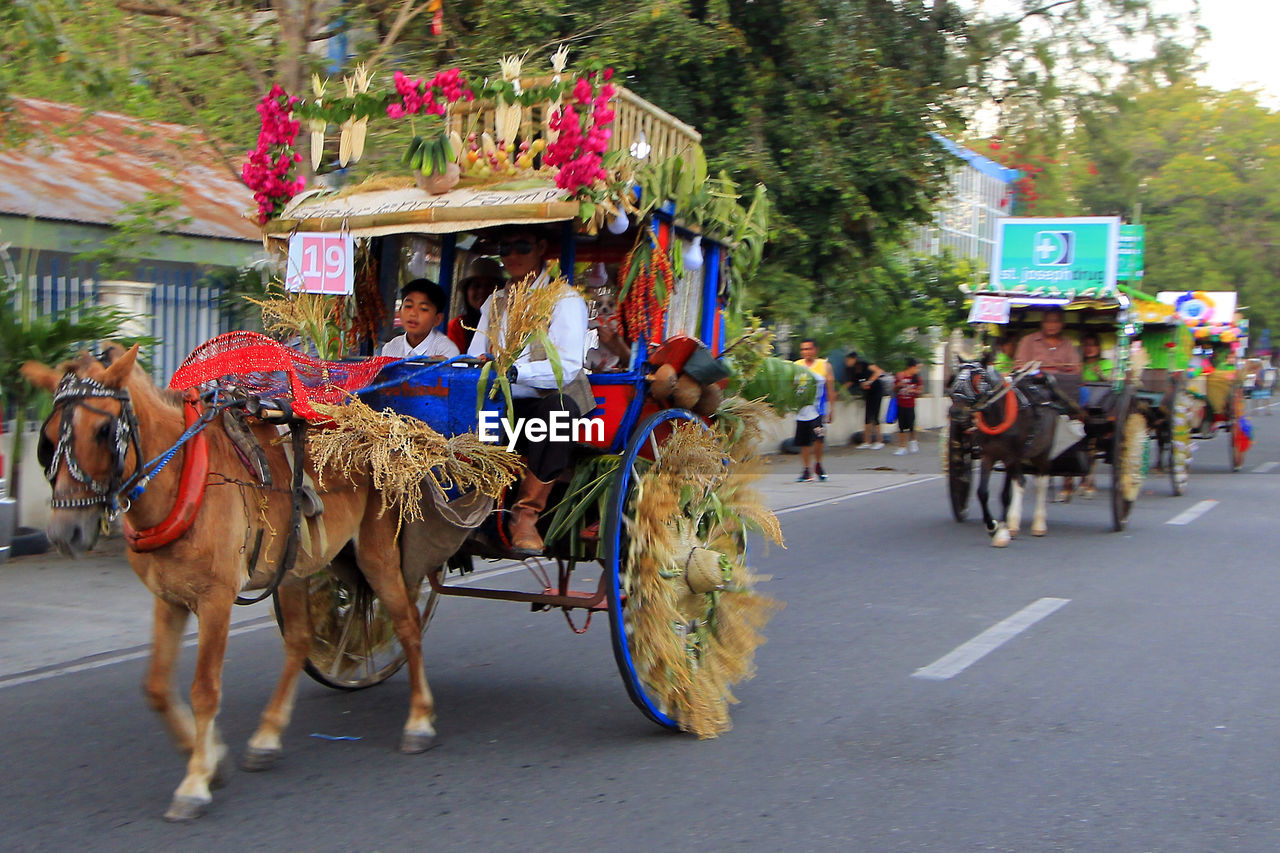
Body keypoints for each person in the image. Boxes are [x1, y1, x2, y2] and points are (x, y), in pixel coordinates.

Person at [468, 226, 591, 555]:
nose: (512, 256)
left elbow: (567, 366)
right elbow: (474, 353)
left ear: (540, 247)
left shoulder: (564, 299)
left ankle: (526, 515)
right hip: (498, 405)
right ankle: (468, 508)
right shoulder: (496, 301)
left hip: (541, 404)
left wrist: (515, 371)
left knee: (560, 411)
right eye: (504, 248)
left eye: (521, 246)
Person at [381, 279, 461, 360]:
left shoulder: (447, 351)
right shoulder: (390, 348)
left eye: (423, 309)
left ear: (437, 319)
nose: (413, 313)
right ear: (400, 312)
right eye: (408, 306)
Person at [793, 339, 836, 481]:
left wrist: (831, 409)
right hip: (802, 410)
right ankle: (806, 470)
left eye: (809, 349)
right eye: (803, 349)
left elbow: (830, 389)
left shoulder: (824, 365)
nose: (806, 352)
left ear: (815, 350)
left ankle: (818, 464)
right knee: (804, 441)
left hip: (819, 411)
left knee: (819, 439)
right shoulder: (796, 365)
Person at [447, 257, 504, 353]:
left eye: (489, 286)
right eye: (476, 286)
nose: (482, 291)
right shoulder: (457, 326)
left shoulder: (508, 323)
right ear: (467, 292)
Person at [1014, 307, 1080, 375]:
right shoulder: (1028, 341)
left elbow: (1075, 368)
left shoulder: (1067, 342)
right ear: (1042, 323)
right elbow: (1020, 367)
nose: (1051, 325)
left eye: (1055, 321)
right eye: (1047, 321)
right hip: (1034, 381)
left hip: (1061, 382)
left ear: (1062, 324)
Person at [844, 351, 886, 449]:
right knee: (867, 417)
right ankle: (867, 441)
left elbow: (879, 371)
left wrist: (869, 382)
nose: (847, 362)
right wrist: (839, 391)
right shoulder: (854, 371)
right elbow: (851, 382)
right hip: (868, 394)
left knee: (875, 416)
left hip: (876, 391)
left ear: (854, 359)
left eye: (848, 360)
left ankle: (880, 441)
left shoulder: (865, 364)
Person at [891, 357, 924, 456]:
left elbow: (921, 391)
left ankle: (913, 441)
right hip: (900, 404)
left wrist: (913, 391)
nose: (917, 370)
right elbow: (894, 389)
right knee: (901, 426)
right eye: (916, 368)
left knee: (911, 425)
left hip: (910, 404)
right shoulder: (900, 375)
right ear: (911, 367)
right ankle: (902, 446)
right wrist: (898, 385)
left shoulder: (916, 378)